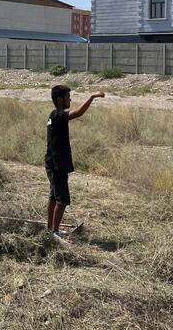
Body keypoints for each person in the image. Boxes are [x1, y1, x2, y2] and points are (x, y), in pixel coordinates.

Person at [46, 86, 105, 238]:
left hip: (54, 162)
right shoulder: (58, 115)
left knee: (54, 196)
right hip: (57, 164)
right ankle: (54, 233)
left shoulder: (53, 114)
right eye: (68, 97)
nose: (70, 99)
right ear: (60, 99)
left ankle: (50, 228)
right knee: (62, 199)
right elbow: (78, 113)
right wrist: (92, 97)